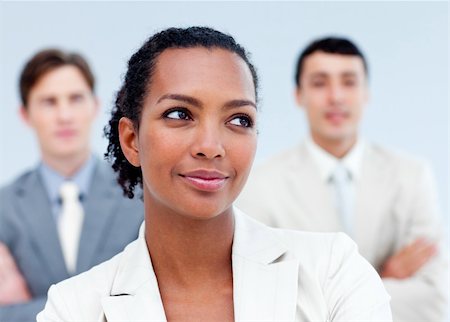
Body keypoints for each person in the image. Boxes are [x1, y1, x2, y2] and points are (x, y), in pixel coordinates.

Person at [37, 27, 391, 322]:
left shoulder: (332, 272)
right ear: (131, 140)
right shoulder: (73, 308)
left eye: (239, 120)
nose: (211, 146)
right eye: (180, 114)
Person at [237, 37, 448, 321]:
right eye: (320, 83)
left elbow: (435, 298)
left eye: (349, 82)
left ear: (366, 93)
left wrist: (327, 292)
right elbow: (261, 297)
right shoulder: (260, 182)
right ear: (298, 95)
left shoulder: (412, 176)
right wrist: (380, 278)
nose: (335, 96)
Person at [0, 49, 144, 321]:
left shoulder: (139, 197)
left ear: (95, 105)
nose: (64, 115)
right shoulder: (4, 209)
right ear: (25, 114)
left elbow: (154, 298)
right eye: (49, 102)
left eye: (76, 99)